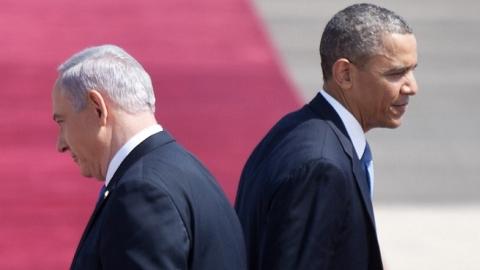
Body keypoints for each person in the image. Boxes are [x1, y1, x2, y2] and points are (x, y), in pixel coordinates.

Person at [235, 3, 418, 270]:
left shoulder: (297, 129)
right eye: (395, 73)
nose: (412, 86)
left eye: (413, 69)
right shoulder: (321, 167)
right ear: (345, 74)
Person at [52, 45, 247, 270]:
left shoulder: (142, 194)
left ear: (98, 109)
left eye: (62, 123)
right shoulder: (187, 171)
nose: (61, 144)